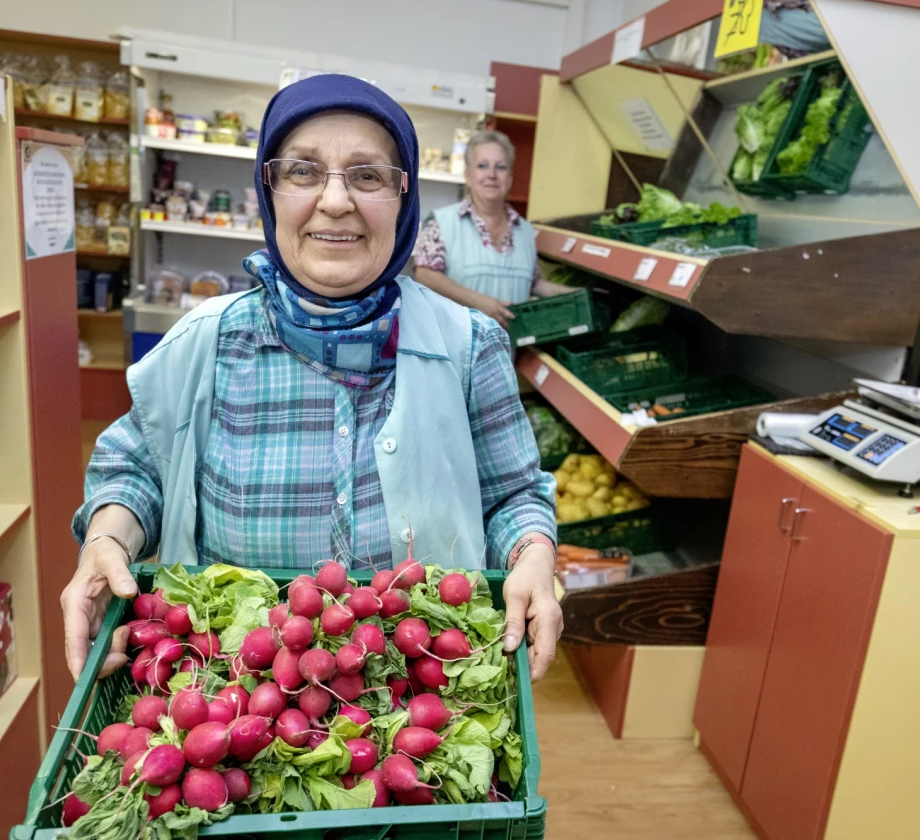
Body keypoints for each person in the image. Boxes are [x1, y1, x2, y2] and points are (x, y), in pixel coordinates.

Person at [62, 76, 561, 684]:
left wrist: (533, 554)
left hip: (426, 691)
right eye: (303, 171)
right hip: (235, 696)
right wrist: (107, 541)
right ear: (268, 190)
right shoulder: (208, 342)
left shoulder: (470, 346)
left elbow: (513, 495)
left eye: (368, 175)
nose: (335, 201)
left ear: (404, 198)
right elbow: (135, 467)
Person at [414, 130, 575, 328]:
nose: (491, 175)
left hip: (506, 354)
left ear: (510, 179)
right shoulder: (442, 222)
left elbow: (533, 284)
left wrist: (576, 294)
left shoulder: (525, 231)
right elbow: (425, 275)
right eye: (482, 166)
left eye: (500, 167)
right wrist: (478, 302)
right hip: (453, 352)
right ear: (468, 175)